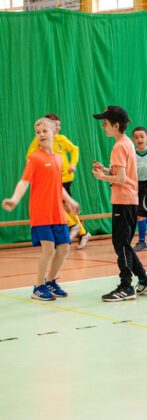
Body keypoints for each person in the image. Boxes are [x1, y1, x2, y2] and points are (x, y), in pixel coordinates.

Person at [3, 118, 80, 300]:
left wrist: (70, 201)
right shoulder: (34, 157)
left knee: (64, 247)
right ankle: (38, 286)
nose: (41, 135)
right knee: (49, 249)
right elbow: (24, 182)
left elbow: (58, 185)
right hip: (40, 211)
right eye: (38, 132)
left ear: (55, 132)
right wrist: (14, 200)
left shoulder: (59, 158)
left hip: (57, 211)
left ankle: (50, 281)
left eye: (45, 131)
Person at [92, 106, 147, 301]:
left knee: (121, 245)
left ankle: (126, 287)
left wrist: (102, 176)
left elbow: (121, 179)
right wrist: (106, 170)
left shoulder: (119, 146)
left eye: (105, 123)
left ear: (116, 125)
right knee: (124, 244)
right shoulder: (127, 143)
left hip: (124, 200)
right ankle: (144, 279)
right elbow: (122, 173)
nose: (102, 126)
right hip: (129, 200)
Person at [26, 113, 92, 249]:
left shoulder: (61, 139)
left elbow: (74, 149)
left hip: (65, 178)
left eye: (59, 125)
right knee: (62, 205)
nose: (58, 128)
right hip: (50, 179)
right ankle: (82, 232)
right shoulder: (40, 140)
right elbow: (30, 155)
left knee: (63, 205)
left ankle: (77, 227)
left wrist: (73, 164)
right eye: (56, 125)